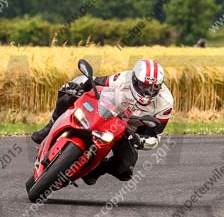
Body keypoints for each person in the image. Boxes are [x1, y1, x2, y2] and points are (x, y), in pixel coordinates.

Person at [31, 59, 173, 184]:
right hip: (107, 113)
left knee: (125, 169)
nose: (148, 91)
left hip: (128, 131)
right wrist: (79, 89)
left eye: (154, 87)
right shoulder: (123, 78)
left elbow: (155, 136)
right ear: (135, 80)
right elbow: (96, 81)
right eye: (144, 85)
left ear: (160, 86)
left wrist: (140, 141)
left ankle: (98, 170)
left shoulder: (165, 103)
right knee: (68, 92)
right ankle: (50, 126)